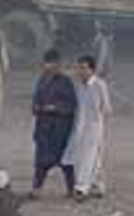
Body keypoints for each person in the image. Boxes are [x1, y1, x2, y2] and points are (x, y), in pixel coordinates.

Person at [62, 55, 112, 201]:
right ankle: (98, 186)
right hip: (80, 127)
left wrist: (100, 121)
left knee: (88, 158)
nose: (80, 71)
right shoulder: (79, 86)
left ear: (92, 69)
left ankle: (81, 188)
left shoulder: (99, 85)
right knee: (90, 158)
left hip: (94, 127)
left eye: (83, 68)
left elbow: (107, 108)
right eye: (79, 68)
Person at [31, 49, 77, 198]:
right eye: (46, 63)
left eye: (51, 63)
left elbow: (71, 105)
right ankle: (36, 189)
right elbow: (36, 100)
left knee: (66, 161)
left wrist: (54, 108)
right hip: (43, 128)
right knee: (40, 161)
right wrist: (36, 107)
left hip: (60, 129)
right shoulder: (42, 79)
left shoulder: (66, 81)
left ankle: (71, 189)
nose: (48, 66)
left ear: (58, 63)